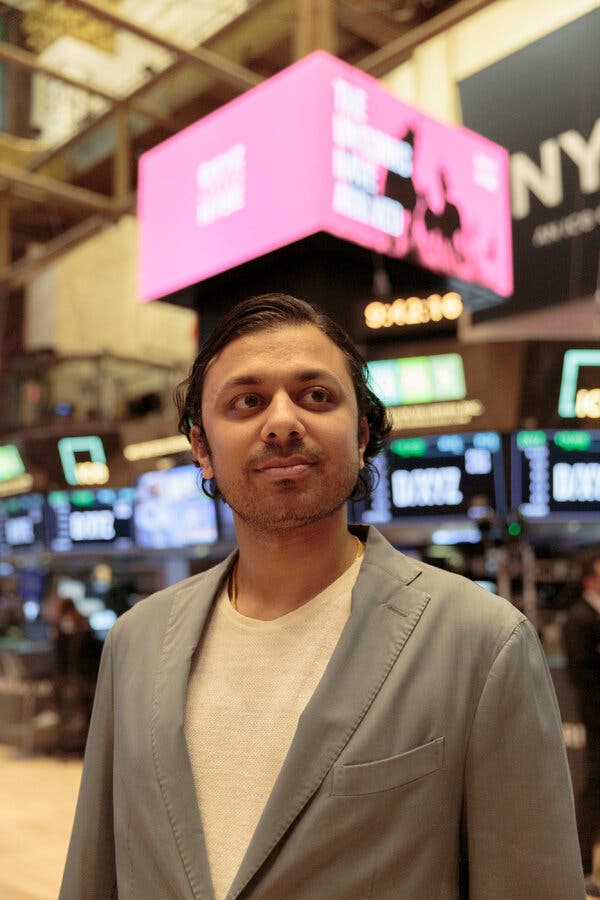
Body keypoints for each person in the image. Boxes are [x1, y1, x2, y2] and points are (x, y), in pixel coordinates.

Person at [60, 293, 585, 899]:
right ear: (201, 447)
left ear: (361, 435)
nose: (282, 422)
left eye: (316, 396)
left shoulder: (482, 644)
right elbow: (93, 877)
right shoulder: (137, 642)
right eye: (247, 401)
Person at [564, 555, 600, 896]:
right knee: (593, 789)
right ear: (589, 579)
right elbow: (582, 675)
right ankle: (583, 867)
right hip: (597, 720)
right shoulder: (579, 619)